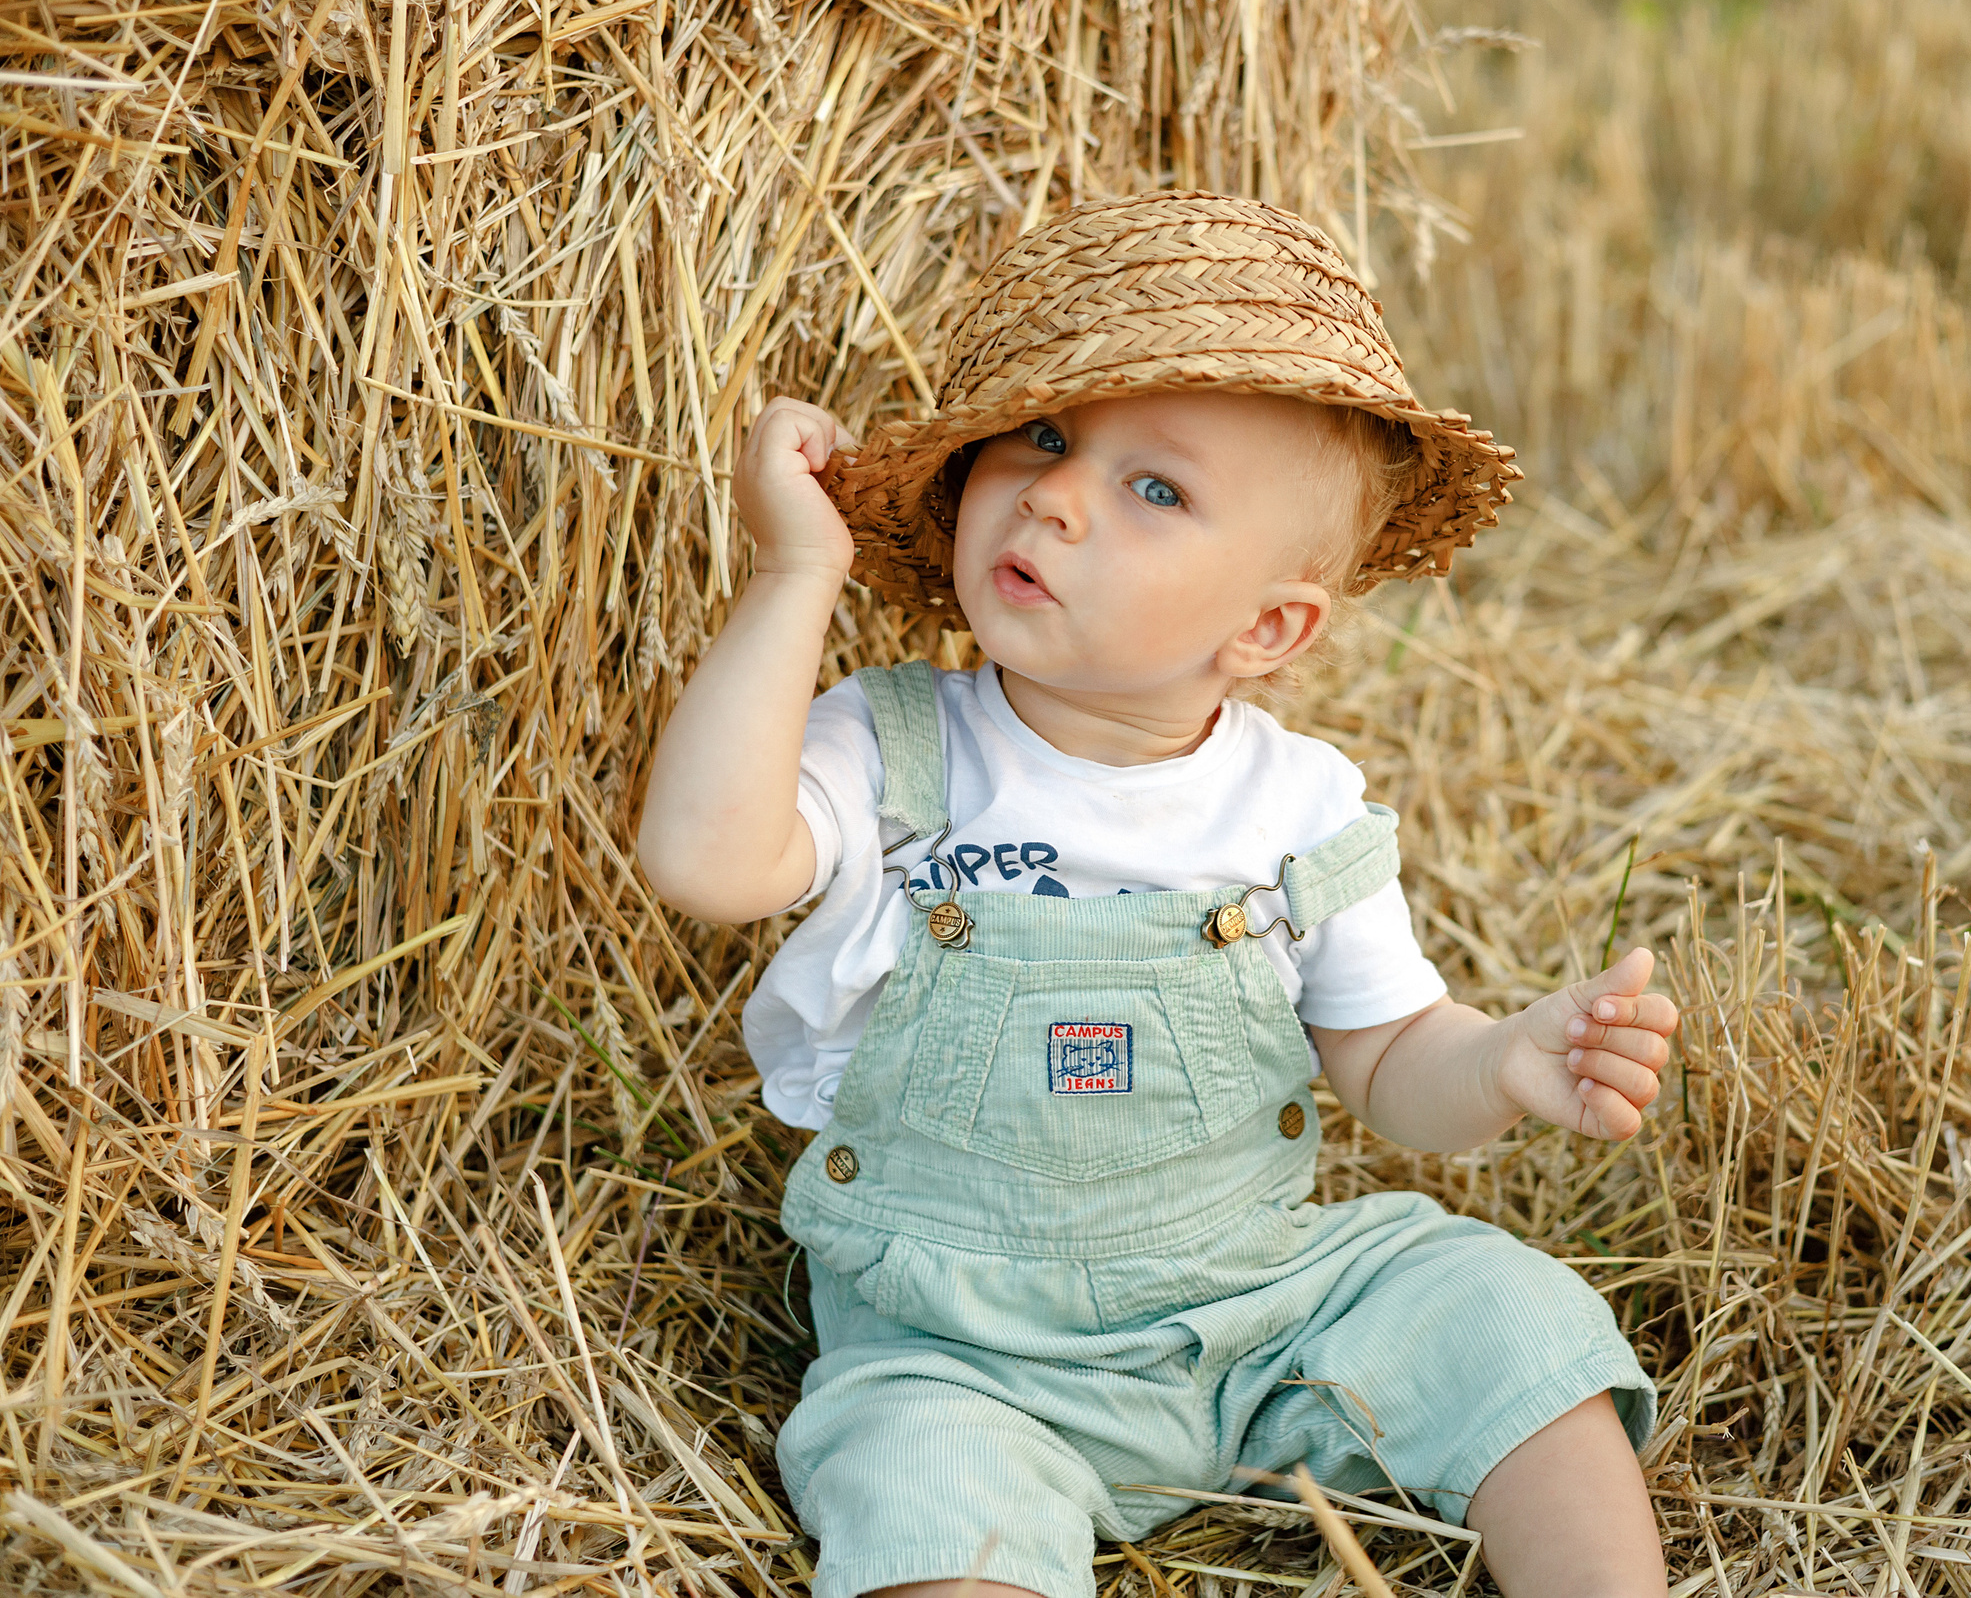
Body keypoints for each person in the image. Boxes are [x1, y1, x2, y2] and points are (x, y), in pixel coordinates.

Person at [636, 192, 1679, 1598]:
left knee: (1505, 1315)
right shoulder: (893, 751)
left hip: (1262, 1307)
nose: (1055, 495)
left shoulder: (1300, 808)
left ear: (1267, 628)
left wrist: (1501, 1061)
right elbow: (704, 863)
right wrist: (798, 570)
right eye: (1046, 439)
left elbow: (1387, 1064)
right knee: (928, 1498)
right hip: (962, 1354)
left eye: (1156, 489)